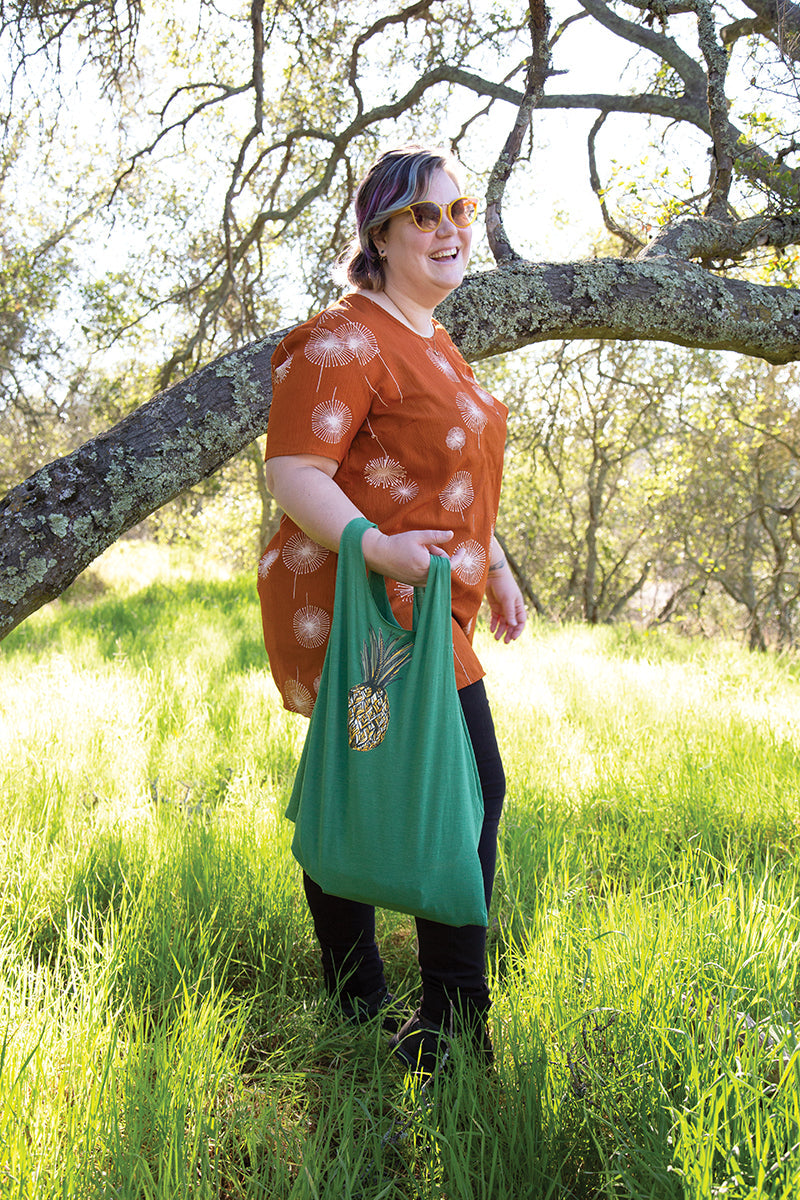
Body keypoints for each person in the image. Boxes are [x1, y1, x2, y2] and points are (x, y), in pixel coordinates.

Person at [257, 144, 526, 1073]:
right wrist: (375, 549)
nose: (450, 229)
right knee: (468, 787)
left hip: (429, 595)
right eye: (425, 214)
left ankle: (362, 995)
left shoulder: (432, 340)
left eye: (459, 209)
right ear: (379, 234)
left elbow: (450, 475)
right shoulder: (343, 339)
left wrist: (496, 566)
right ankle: (449, 1022)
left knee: (365, 787)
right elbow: (295, 472)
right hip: (373, 606)